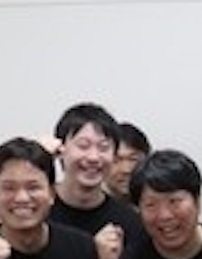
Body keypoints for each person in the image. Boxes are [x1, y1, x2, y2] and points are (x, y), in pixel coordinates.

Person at [46, 103, 149, 244]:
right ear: (60, 149)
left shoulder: (130, 222)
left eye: (103, 147)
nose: (93, 157)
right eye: (83, 146)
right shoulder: (38, 209)